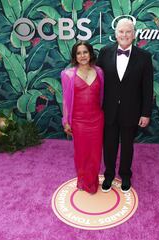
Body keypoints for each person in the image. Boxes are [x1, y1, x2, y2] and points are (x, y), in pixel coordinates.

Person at [97, 18, 154, 193]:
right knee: (109, 144)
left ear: (134, 34)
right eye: (121, 31)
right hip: (109, 110)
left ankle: (126, 175)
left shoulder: (144, 57)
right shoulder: (104, 53)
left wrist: (145, 113)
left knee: (128, 145)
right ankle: (108, 174)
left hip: (132, 110)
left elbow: (147, 87)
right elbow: (98, 82)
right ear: (115, 34)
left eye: (128, 31)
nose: (124, 35)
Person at [61, 41, 104, 194]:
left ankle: (92, 183)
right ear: (75, 56)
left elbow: (102, 96)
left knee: (95, 153)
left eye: (85, 52)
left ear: (90, 53)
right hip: (79, 122)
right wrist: (66, 121)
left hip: (97, 120)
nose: (82, 56)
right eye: (78, 53)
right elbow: (66, 100)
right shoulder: (67, 74)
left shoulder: (99, 72)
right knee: (82, 153)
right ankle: (83, 181)